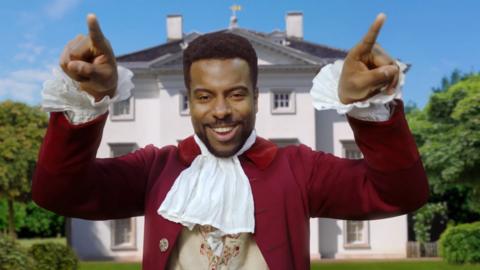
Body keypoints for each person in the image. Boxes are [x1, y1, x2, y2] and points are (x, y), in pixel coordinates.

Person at [32, 13, 428, 270]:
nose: (220, 110)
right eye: (204, 96)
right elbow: (58, 193)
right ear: (190, 100)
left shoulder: (300, 169)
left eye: (236, 94)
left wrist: (366, 108)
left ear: (256, 96)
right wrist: (91, 99)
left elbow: (399, 194)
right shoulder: (155, 169)